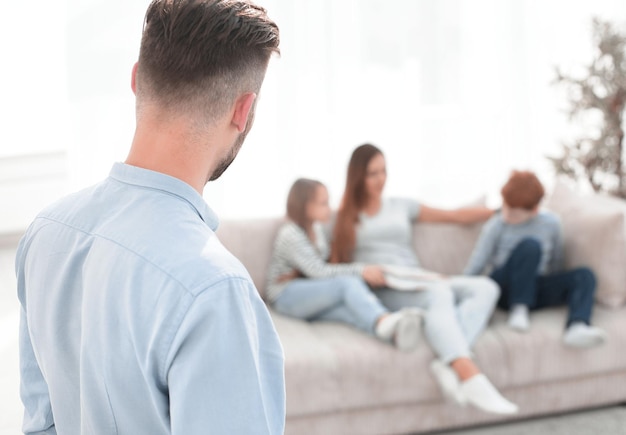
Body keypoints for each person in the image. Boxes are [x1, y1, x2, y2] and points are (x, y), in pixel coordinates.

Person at [16, 1, 283, 434]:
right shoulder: (213, 289)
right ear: (243, 111)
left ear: (137, 80)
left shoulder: (46, 231)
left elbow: (41, 423)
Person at [330, 143, 518, 415]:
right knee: (440, 293)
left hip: (419, 278)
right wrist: (362, 271)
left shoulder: (401, 206)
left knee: (486, 287)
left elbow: (453, 216)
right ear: (358, 177)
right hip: (387, 287)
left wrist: (499, 212)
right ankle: (470, 375)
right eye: (373, 173)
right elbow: (336, 269)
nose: (381, 179)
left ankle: (448, 360)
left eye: (384, 171)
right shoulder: (345, 218)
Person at [266, 178, 423, 351]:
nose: (329, 209)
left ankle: (391, 331)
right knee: (347, 283)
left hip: (306, 292)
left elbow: (319, 264)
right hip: (285, 296)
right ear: (306, 206)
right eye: (323, 203)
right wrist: (361, 270)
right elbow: (318, 271)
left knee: (345, 311)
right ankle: (385, 319)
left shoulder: (317, 231)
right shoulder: (291, 234)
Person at [464, 170, 607, 347]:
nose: (507, 214)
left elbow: (556, 261)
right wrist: (461, 287)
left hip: (535, 287)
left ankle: (577, 326)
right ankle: (519, 307)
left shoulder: (551, 223)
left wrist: (557, 285)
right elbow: (479, 260)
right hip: (504, 288)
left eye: (514, 213)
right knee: (530, 247)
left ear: (534, 210)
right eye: (505, 207)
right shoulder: (497, 224)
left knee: (585, 275)